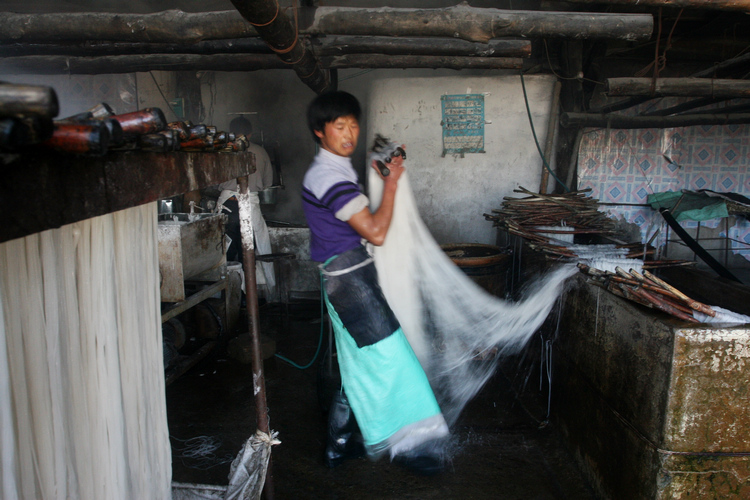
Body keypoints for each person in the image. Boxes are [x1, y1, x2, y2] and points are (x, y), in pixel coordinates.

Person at [302, 91, 449, 475]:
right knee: (394, 360)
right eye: (339, 126)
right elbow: (376, 232)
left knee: (360, 364)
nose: (349, 133)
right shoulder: (328, 176)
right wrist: (394, 183)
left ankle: (340, 446)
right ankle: (411, 447)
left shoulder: (337, 170)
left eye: (353, 125)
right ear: (320, 131)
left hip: (348, 275)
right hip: (349, 283)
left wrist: (382, 174)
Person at [212, 117, 276, 299]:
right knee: (253, 249)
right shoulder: (260, 152)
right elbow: (267, 183)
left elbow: (215, 180)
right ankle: (257, 295)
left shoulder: (223, 151)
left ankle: (225, 296)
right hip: (250, 205)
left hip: (227, 204)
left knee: (224, 251)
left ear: (231, 132)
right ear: (250, 133)